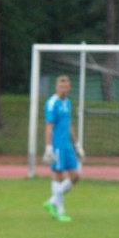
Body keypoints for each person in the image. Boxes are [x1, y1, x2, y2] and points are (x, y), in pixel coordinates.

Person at [42, 75, 83, 222]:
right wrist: (49, 147)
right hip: (57, 145)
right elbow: (49, 126)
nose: (63, 89)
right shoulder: (52, 103)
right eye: (60, 87)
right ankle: (61, 212)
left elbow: (69, 124)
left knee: (75, 176)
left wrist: (77, 144)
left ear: (69, 88)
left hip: (68, 146)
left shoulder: (68, 103)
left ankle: (51, 202)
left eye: (65, 87)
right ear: (56, 88)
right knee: (58, 177)